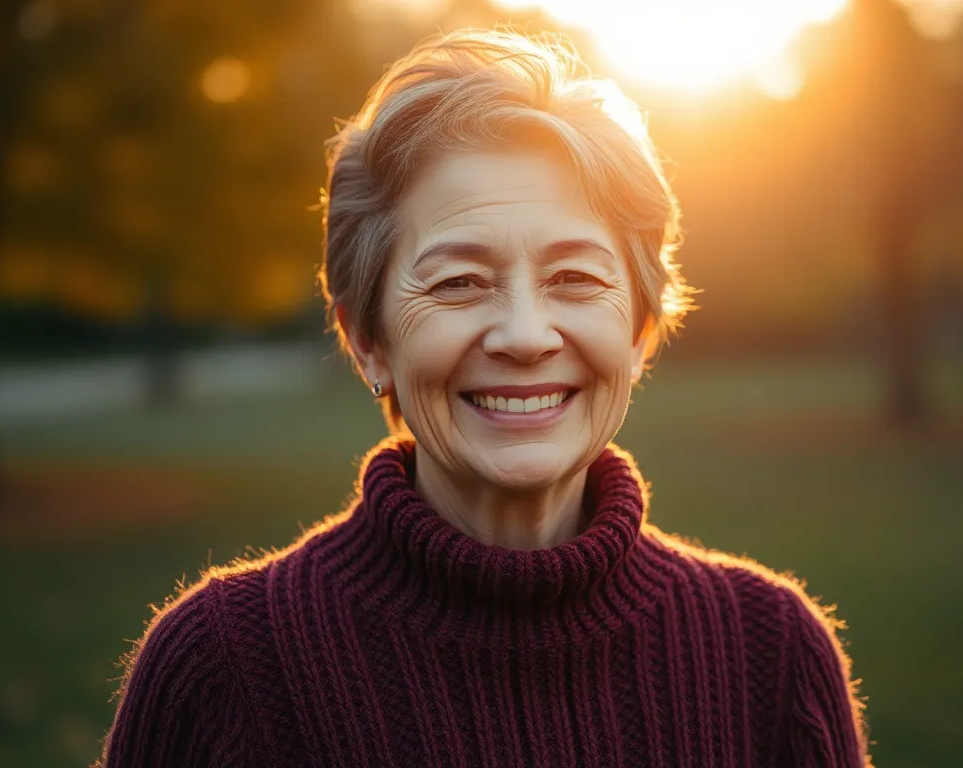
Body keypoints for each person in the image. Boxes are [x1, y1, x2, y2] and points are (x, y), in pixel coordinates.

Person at [97, 28, 870, 768]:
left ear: (639, 330)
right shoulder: (222, 669)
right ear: (368, 338)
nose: (526, 335)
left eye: (575, 278)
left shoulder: (772, 657)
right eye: (459, 282)